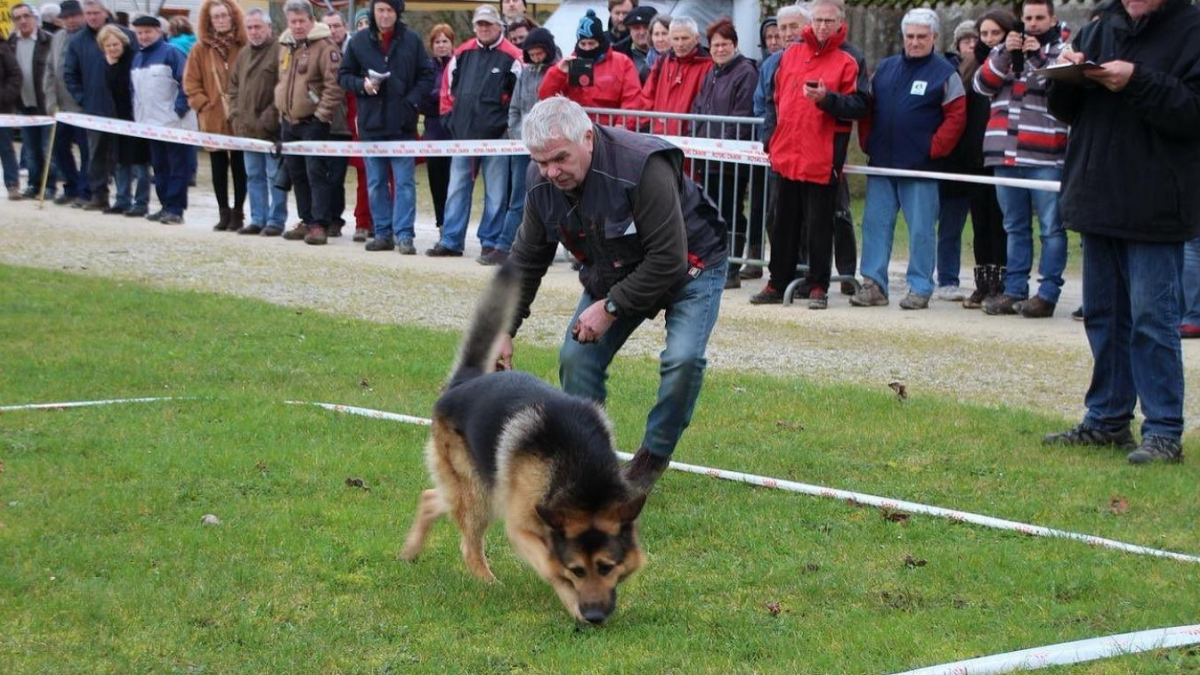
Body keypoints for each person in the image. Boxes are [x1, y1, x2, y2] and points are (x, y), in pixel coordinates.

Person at [502, 96, 728, 493]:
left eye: (560, 158)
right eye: (541, 162)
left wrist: (610, 307)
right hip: (616, 267)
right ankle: (589, 462)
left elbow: (668, 259)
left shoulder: (642, 167)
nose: (551, 171)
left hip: (691, 264)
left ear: (587, 138)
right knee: (577, 357)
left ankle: (651, 460)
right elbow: (527, 257)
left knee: (683, 359)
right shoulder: (540, 183)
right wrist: (503, 329)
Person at [1043, 0, 1199, 464]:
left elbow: (1191, 113)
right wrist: (1066, 75)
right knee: (1104, 318)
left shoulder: (1192, 30)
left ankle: (1164, 430)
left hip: (1156, 201)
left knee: (1153, 321)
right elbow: (1066, 112)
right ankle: (1107, 420)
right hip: (1097, 194)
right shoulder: (1100, 28)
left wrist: (1136, 79)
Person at [752, 0, 869, 309]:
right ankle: (777, 282)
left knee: (819, 226)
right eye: (818, 20)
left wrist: (828, 99)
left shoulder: (851, 58)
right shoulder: (789, 55)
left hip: (823, 156)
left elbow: (861, 105)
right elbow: (773, 102)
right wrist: (771, 139)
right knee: (782, 223)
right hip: (787, 154)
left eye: (828, 21)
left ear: (841, 21)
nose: (822, 26)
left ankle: (818, 285)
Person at [852, 8, 966, 311]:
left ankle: (920, 287)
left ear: (934, 38)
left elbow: (956, 117)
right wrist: (866, 141)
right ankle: (873, 284)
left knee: (921, 231)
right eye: (910, 36)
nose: (914, 42)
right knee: (875, 226)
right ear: (904, 37)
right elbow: (868, 108)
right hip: (882, 164)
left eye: (921, 37)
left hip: (921, 168)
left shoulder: (945, 74)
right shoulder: (885, 69)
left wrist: (933, 149)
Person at [973, 0, 1070, 318]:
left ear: (1052, 18)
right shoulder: (1002, 51)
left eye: (1040, 17)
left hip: (1045, 155)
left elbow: (1057, 87)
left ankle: (1047, 293)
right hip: (1005, 153)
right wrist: (1004, 52)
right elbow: (981, 85)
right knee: (1013, 226)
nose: (1033, 23)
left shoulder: (1062, 50)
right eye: (1028, 18)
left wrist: (1036, 55)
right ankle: (1014, 289)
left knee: (1051, 228)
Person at [339, 0, 435, 254]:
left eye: (389, 10)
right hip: (371, 124)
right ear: (373, 11)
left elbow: (427, 75)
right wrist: (362, 85)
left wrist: (411, 102)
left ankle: (404, 234)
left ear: (397, 12)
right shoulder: (359, 41)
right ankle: (382, 232)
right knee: (375, 182)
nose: (384, 15)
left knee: (404, 183)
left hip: (402, 124)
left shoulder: (411, 40)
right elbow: (343, 75)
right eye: (380, 10)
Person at [427, 4, 522, 258]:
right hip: (463, 135)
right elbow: (447, 90)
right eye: (480, 24)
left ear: (499, 25)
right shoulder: (462, 53)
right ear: (474, 26)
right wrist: (449, 120)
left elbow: (520, 96)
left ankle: (490, 240)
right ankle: (451, 240)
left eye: (488, 24)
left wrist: (507, 126)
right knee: (456, 187)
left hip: (497, 137)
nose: (484, 28)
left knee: (496, 192)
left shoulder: (513, 56)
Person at [950, 10, 1014, 309]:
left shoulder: (1013, 63)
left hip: (1003, 154)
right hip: (974, 155)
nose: (988, 40)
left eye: (993, 34)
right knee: (980, 222)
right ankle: (983, 283)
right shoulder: (969, 65)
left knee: (1002, 221)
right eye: (983, 34)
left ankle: (1003, 282)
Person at [690, 17, 758, 289]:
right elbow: (699, 108)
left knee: (730, 211)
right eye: (715, 45)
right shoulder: (712, 72)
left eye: (725, 44)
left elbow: (741, 116)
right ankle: (714, 261)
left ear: (735, 44)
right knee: (710, 211)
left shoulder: (745, 73)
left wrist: (723, 147)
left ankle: (732, 265)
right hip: (707, 156)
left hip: (730, 158)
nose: (719, 49)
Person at [275, 0, 343, 246]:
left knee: (316, 173)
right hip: (289, 121)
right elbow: (282, 80)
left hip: (314, 122)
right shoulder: (286, 46)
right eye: (293, 21)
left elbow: (334, 86)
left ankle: (319, 224)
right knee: (297, 173)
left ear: (311, 20)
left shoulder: (326, 47)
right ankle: (306, 219)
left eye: (301, 21)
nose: (297, 26)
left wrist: (321, 116)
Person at [63, 0, 138, 212]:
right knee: (95, 153)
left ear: (105, 12)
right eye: (88, 13)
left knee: (124, 155)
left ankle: (125, 198)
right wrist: (83, 99)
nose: (92, 17)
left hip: (123, 107)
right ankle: (99, 195)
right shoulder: (77, 41)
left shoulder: (125, 35)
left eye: (96, 12)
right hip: (94, 108)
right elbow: (70, 74)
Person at [494, 26, 556, 267]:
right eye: (533, 54)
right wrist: (520, 134)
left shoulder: (557, 72)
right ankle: (504, 244)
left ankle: (543, 249)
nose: (537, 57)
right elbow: (515, 109)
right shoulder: (526, 73)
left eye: (540, 53)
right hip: (524, 145)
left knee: (549, 198)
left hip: (548, 145)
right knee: (518, 197)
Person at [185, 0, 248, 232]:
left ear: (233, 17)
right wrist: (204, 105)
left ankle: (238, 212)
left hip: (241, 116)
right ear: (208, 21)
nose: (221, 20)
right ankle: (223, 212)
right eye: (216, 17)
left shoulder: (244, 46)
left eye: (224, 15)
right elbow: (190, 83)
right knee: (218, 165)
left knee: (241, 166)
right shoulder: (200, 49)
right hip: (213, 116)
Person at [130, 14, 194, 224]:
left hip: (173, 124)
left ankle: (175, 209)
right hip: (149, 125)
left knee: (177, 167)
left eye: (148, 32)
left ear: (159, 32)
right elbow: (135, 91)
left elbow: (186, 83)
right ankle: (165, 204)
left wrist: (179, 111)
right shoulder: (137, 58)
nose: (144, 36)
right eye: (139, 33)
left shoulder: (172, 53)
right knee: (159, 167)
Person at [228, 8, 286, 236]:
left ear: (269, 28)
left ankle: (276, 220)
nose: (253, 31)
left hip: (271, 130)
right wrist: (234, 113)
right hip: (246, 129)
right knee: (253, 176)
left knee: (274, 177)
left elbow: (284, 87)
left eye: (258, 26)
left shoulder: (280, 51)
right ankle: (257, 218)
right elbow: (233, 87)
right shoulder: (243, 54)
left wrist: (270, 117)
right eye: (250, 27)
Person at [537, 9, 642, 124]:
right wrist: (559, 72)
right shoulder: (569, 63)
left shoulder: (622, 62)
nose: (587, 48)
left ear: (600, 42)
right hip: (575, 131)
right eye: (583, 44)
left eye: (591, 43)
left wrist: (622, 125)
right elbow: (546, 97)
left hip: (610, 133)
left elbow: (632, 99)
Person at [96, 24, 151, 217]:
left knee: (140, 162)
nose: (112, 48)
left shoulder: (134, 60)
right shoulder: (106, 63)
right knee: (120, 162)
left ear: (123, 42)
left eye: (115, 44)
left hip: (136, 117)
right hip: (117, 119)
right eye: (108, 45)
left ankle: (141, 202)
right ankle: (122, 200)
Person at [43, 0, 90, 207]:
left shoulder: (91, 37)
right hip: (61, 109)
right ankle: (71, 186)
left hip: (83, 108)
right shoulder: (58, 38)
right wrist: (51, 102)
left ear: (82, 15)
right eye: (66, 17)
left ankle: (85, 191)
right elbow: (50, 71)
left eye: (74, 16)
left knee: (87, 152)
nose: (70, 20)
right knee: (59, 149)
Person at [5, 3, 53, 199]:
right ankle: (34, 184)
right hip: (23, 104)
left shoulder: (48, 40)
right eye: (18, 18)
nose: (23, 21)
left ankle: (49, 186)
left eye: (26, 16)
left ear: (34, 17)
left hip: (45, 104)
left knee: (48, 149)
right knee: (31, 150)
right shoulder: (10, 43)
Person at [640, 16, 711, 136]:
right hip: (659, 137)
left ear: (696, 38)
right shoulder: (661, 62)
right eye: (676, 38)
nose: (680, 43)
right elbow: (647, 97)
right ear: (670, 39)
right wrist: (645, 126)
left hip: (691, 140)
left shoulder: (708, 65)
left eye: (685, 38)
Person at [420, 23, 453, 230]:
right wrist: (444, 96)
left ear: (452, 43)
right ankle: (441, 222)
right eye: (437, 42)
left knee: (454, 183)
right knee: (437, 182)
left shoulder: (459, 64)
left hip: (454, 133)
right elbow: (422, 97)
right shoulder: (426, 68)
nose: (441, 45)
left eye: (445, 41)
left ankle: (453, 224)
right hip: (433, 132)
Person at [0, 37, 21, 200]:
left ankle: (12, 183)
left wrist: (5, 97)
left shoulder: (3, 49)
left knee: (5, 148)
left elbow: (15, 75)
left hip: (1, 108)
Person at [621, 4, 655, 83]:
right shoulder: (618, 52)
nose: (642, 32)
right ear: (629, 30)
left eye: (646, 27)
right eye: (636, 28)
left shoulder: (670, 53)